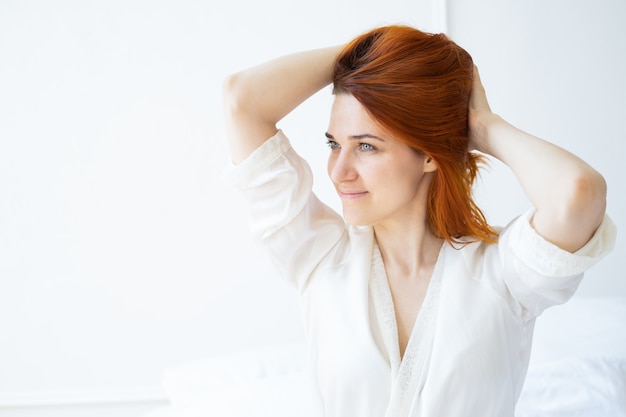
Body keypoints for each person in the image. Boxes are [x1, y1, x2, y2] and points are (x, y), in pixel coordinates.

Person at [221, 25, 616, 417]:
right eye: (333, 144)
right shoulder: (319, 257)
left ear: (429, 155)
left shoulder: (503, 274)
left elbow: (577, 192)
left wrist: (481, 127)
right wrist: (373, 54)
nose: (339, 171)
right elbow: (242, 101)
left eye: (365, 146)